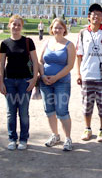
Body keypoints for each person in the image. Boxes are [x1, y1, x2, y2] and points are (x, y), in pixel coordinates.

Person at [76, 3, 102, 142]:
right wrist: (78, 73)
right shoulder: (83, 33)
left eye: (98, 15)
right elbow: (79, 54)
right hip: (87, 73)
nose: (96, 17)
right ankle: (87, 128)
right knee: (87, 104)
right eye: (93, 14)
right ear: (89, 17)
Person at [0, 15, 39, 150]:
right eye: (13, 24)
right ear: (9, 25)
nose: (16, 27)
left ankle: (23, 139)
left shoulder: (28, 41)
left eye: (18, 25)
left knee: (23, 112)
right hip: (9, 81)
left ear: (22, 27)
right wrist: (1, 82)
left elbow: (35, 60)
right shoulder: (4, 43)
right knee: (10, 112)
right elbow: (1, 63)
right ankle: (12, 138)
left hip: (24, 81)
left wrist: (34, 79)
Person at [39, 18, 76, 151]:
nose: (57, 30)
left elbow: (70, 65)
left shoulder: (69, 45)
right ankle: (55, 135)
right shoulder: (46, 42)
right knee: (49, 109)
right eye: (55, 27)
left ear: (64, 29)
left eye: (60, 27)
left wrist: (55, 77)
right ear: (51, 29)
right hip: (45, 82)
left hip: (62, 82)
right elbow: (40, 62)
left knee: (62, 110)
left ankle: (68, 138)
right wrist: (43, 76)